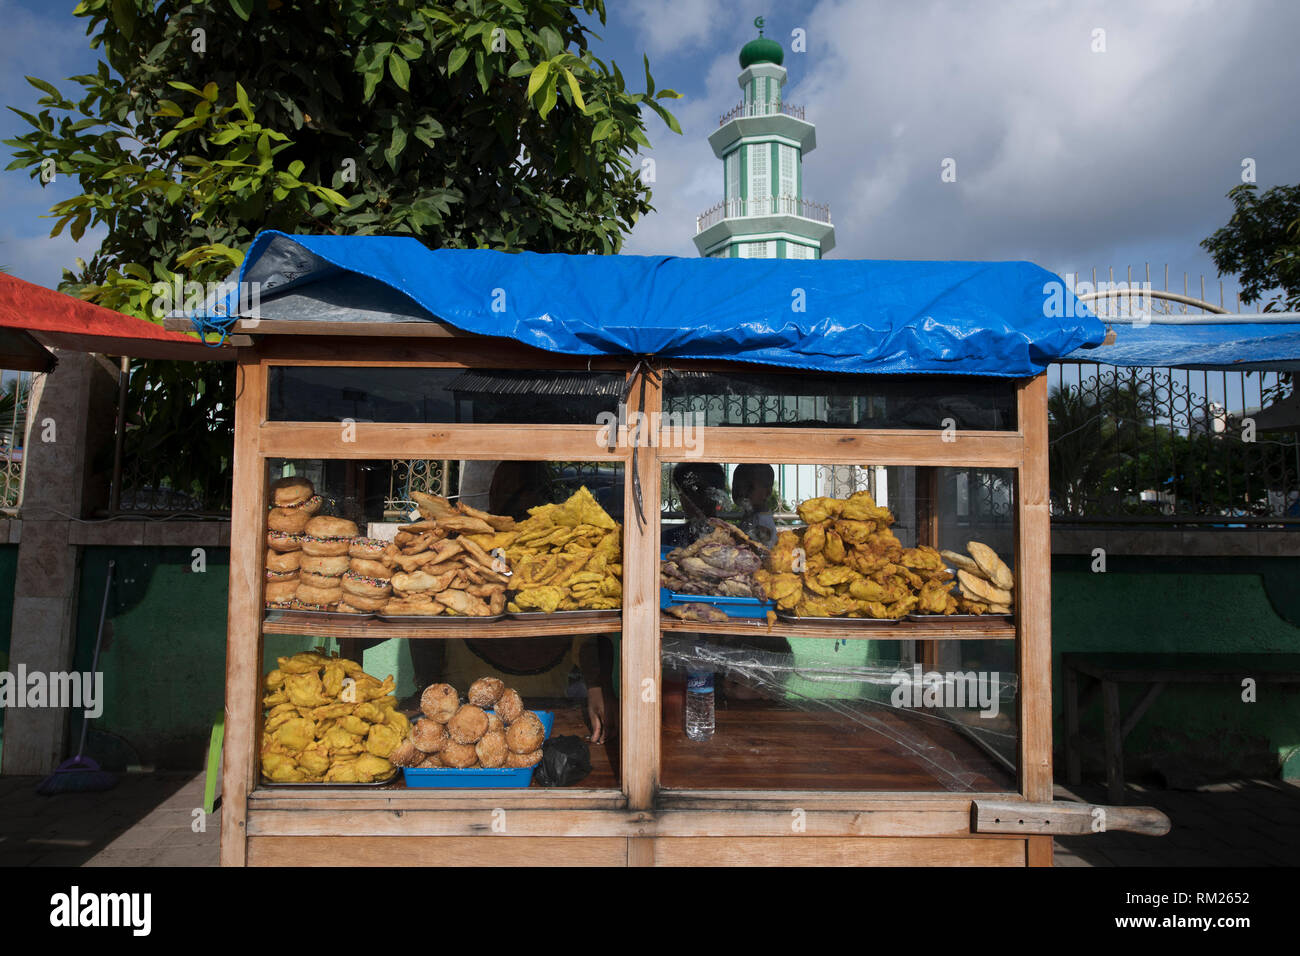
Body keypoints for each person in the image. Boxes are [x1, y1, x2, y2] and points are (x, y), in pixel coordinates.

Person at [408, 460, 617, 744]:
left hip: (546, 713)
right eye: (511, 492)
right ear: (489, 494)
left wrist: (598, 687)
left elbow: (592, 634)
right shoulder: (459, 556)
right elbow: (424, 633)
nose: (521, 502)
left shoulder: (559, 554)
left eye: (528, 489)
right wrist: (427, 695)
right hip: (462, 717)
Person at [662, 461, 729, 549]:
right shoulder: (665, 541)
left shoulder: (734, 540)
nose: (692, 499)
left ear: (718, 494)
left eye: (700, 490)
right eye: (685, 492)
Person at [732, 463, 777, 547]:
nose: (741, 492)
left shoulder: (762, 522)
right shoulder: (752, 515)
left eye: (749, 487)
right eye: (736, 487)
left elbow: (760, 550)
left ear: (767, 492)